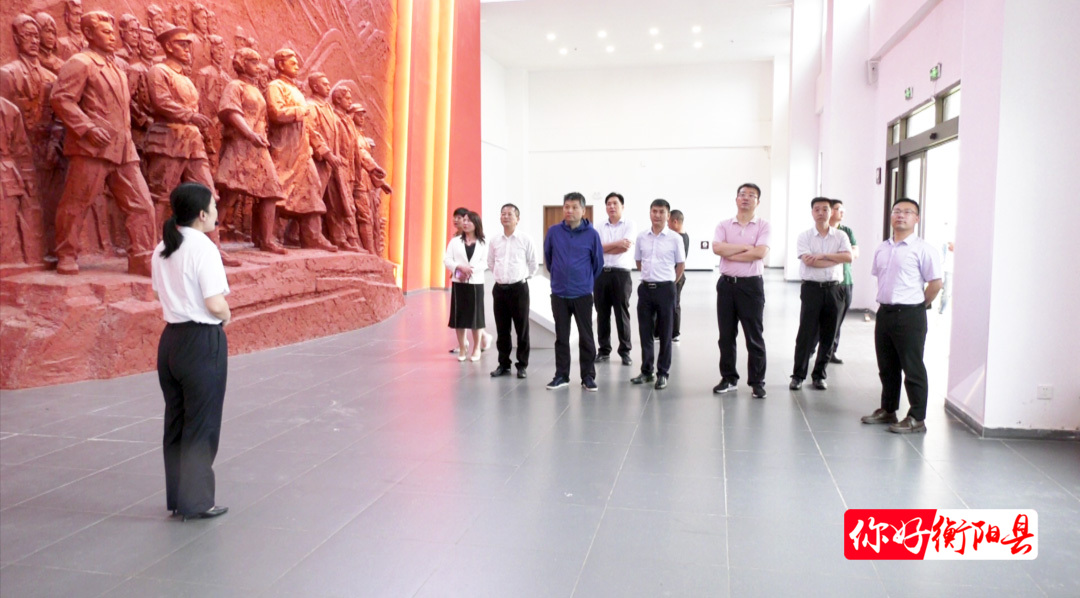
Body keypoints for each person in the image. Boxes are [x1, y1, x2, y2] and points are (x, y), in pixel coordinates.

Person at [50, 11, 157, 276]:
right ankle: (66, 253)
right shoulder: (80, 62)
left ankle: (143, 257)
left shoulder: (117, 66)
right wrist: (87, 128)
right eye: (105, 32)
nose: (112, 37)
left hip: (123, 150)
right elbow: (61, 98)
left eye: (112, 32)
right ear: (88, 33)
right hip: (92, 148)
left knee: (142, 204)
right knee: (77, 202)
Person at [151, 181, 230, 521]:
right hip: (201, 341)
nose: (216, 213)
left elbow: (160, 294)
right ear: (201, 214)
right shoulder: (204, 248)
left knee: (177, 421)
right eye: (213, 207)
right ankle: (196, 501)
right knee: (201, 423)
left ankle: (177, 499)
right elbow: (214, 302)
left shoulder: (162, 247)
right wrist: (227, 315)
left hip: (170, 341)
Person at [144, 26, 240, 267]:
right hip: (168, 140)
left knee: (208, 194)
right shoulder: (159, 71)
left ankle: (214, 249)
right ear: (168, 47)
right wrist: (189, 115)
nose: (188, 49)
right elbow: (161, 102)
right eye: (182, 44)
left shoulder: (186, 78)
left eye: (189, 45)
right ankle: (155, 248)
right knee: (161, 195)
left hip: (192, 142)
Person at [861, 198, 943, 434]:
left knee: (912, 367)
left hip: (910, 314)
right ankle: (888, 410)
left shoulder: (924, 249)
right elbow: (881, 278)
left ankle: (917, 418)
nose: (900, 215)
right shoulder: (883, 248)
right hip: (885, 313)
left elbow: (936, 284)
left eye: (907, 212)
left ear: (916, 219)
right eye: (897, 211)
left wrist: (919, 305)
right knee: (887, 366)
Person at [214, 47, 288, 254]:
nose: (259, 66)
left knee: (271, 191)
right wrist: (249, 134)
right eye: (253, 62)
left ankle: (266, 240)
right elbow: (231, 113)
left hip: (258, 147)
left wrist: (259, 136)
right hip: (240, 145)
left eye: (259, 62)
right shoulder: (235, 86)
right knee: (229, 193)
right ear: (241, 63)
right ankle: (211, 238)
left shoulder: (255, 89)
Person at [712, 183, 770, 399]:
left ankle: (757, 382)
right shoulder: (724, 225)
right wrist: (746, 247)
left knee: (754, 336)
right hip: (726, 286)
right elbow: (717, 248)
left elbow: (760, 253)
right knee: (726, 335)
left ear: (758, 201)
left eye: (751, 195)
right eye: (742, 194)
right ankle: (728, 378)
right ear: (736, 199)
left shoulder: (763, 226)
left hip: (751, 286)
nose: (746, 198)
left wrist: (731, 253)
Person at [789, 197, 852, 391]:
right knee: (806, 334)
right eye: (817, 209)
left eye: (825, 209)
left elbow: (848, 257)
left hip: (835, 290)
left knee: (829, 334)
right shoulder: (805, 236)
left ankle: (819, 375)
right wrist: (835, 259)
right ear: (812, 212)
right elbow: (809, 261)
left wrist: (823, 256)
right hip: (812, 289)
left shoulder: (841, 235)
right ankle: (798, 376)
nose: (821, 213)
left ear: (831, 212)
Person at [544, 192, 604, 391]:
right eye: (566, 207)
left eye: (574, 207)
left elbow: (597, 264)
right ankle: (561, 375)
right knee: (561, 337)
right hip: (559, 293)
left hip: (582, 294)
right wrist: (559, 276)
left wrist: (584, 280)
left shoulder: (592, 235)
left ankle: (588, 376)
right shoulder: (553, 232)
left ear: (583, 210)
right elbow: (549, 258)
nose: (569, 210)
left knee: (586, 337)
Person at [630, 199, 686, 390]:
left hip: (666, 290)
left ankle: (663, 373)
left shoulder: (675, 238)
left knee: (665, 332)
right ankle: (647, 371)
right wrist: (650, 277)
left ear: (668, 215)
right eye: (654, 211)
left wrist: (669, 283)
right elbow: (639, 262)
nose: (657, 215)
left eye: (662, 212)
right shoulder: (641, 237)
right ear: (650, 213)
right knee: (645, 332)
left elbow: (681, 265)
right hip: (645, 289)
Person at [488, 203, 537, 379]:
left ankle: (522, 365)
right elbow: (491, 262)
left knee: (521, 329)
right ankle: (504, 364)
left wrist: (522, 278)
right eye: (503, 214)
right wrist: (501, 277)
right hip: (499, 290)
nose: (506, 216)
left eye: (510, 214)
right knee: (502, 330)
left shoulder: (525, 239)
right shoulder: (495, 240)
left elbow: (533, 263)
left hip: (519, 289)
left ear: (518, 219)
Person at [594, 192, 636, 366]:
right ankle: (604, 351)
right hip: (601, 274)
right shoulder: (599, 226)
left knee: (621, 313)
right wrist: (616, 244)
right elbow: (596, 249)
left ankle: (625, 351)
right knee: (602, 314)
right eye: (608, 204)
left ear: (622, 206)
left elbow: (624, 248)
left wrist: (605, 248)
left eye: (615, 203)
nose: (611, 206)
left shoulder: (629, 224)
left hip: (621, 275)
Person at [443, 211, 488, 362]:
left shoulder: (483, 242)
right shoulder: (455, 241)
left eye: (469, 221)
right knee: (460, 317)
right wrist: (459, 268)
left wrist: (470, 270)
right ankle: (462, 347)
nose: (465, 223)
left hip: (476, 282)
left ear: (476, 224)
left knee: (476, 318)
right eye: (465, 220)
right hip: (459, 282)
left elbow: (485, 262)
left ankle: (476, 348)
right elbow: (447, 259)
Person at [822, 199, 858, 363]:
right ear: (830, 211)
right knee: (820, 319)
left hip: (845, 281)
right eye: (838, 208)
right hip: (826, 281)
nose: (842, 211)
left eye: (843, 209)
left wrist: (827, 256)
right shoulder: (822, 232)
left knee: (837, 320)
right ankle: (814, 349)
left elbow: (853, 255)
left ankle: (831, 351)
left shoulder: (846, 231)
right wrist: (840, 256)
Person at [667, 209, 691, 342]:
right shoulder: (683, 236)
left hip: (676, 275)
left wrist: (675, 278)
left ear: (675, 222)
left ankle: (675, 333)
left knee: (674, 304)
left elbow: (680, 262)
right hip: (674, 274)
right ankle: (660, 331)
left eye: (668, 222)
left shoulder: (679, 238)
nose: (667, 225)